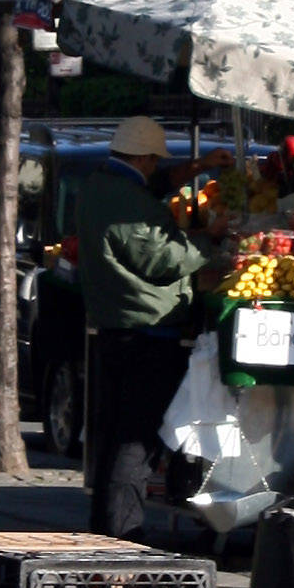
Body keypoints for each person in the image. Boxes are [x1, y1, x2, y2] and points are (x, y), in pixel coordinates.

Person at [74, 116, 214, 540]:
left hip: (117, 330)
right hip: (146, 334)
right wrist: (209, 244)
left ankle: (105, 535)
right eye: (154, 161)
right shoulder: (126, 201)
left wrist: (188, 171)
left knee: (117, 439)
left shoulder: (101, 186)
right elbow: (161, 258)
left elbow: (141, 195)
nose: (155, 168)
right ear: (142, 156)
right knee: (135, 446)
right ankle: (121, 539)